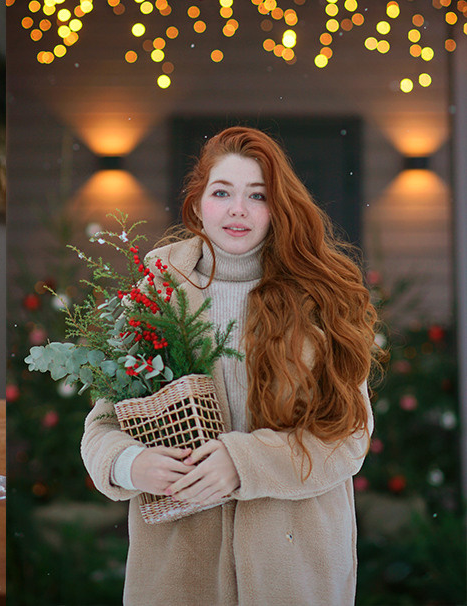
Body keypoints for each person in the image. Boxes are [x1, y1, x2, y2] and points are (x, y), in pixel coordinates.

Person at [80, 126, 377, 604]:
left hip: (295, 572)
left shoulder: (319, 299)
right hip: (178, 577)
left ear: (276, 208)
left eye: (256, 196)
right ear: (198, 204)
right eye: (222, 192)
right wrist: (130, 463)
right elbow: (101, 427)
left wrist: (245, 463)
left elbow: (349, 438)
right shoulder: (155, 294)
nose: (238, 209)